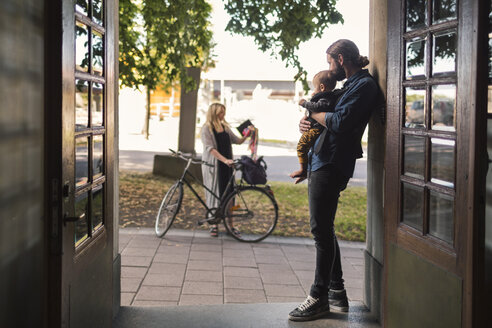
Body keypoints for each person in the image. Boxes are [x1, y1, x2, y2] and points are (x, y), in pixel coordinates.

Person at [288, 39, 385, 321]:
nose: (329, 69)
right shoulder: (349, 86)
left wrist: (312, 113)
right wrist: (307, 122)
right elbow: (327, 117)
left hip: (332, 162)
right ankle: (336, 293)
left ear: (341, 59)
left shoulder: (363, 86)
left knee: (320, 230)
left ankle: (318, 297)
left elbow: (340, 122)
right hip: (322, 159)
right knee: (324, 228)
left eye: (331, 62)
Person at [200, 103, 252, 237]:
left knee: (229, 196)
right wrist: (224, 160)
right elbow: (210, 149)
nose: (223, 115)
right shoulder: (207, 129)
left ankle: (231, 226)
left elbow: (237, 141)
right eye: (220, 113)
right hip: (215, 166)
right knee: (214, 194)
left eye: (224, 112)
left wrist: (247, 134)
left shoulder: (225, 127)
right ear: (214, 113)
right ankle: (214, 225)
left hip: (227, 165)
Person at [289, 70, 346, 184]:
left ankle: (303, 169)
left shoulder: (326, 99)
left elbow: (319, 106)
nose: (313, 91)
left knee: (301, 146)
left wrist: (305, 103)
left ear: (322, 87)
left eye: (315, 88)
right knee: (305, 147)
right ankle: (305, 169)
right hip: (315, 128)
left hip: (317, 129)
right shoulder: (327, 96)